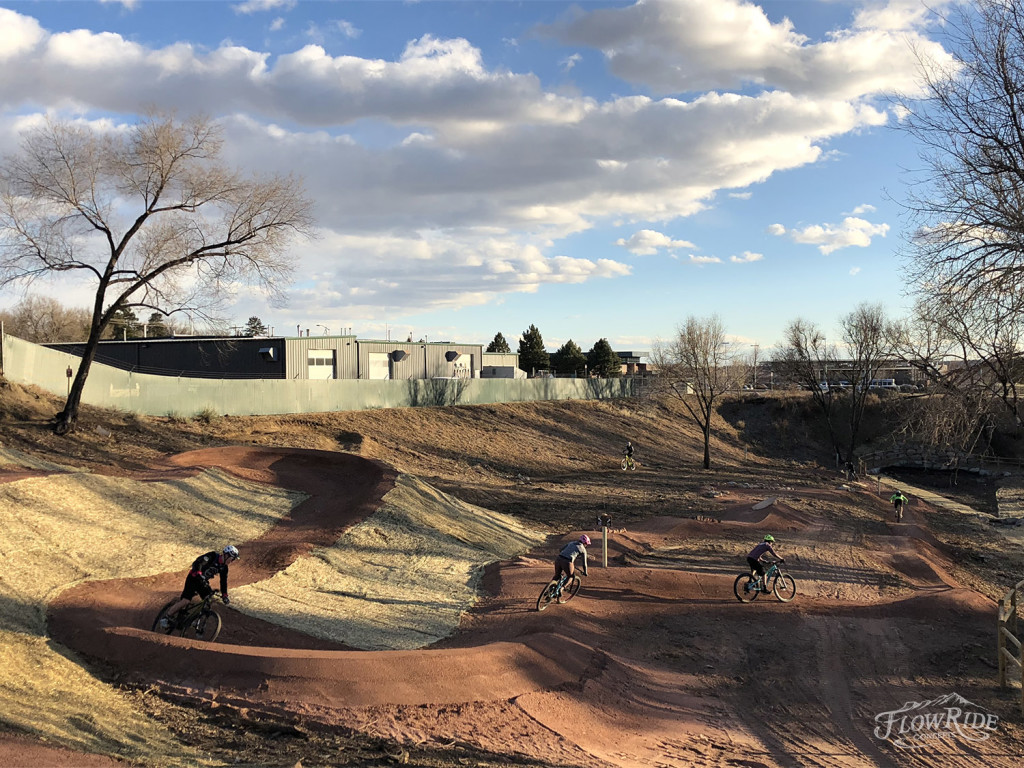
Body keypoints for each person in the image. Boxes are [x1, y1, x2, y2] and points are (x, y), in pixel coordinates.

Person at [159, 545, 239, 630]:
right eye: (232, 558)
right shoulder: (212, 556)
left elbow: (223, 582)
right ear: (226, 555)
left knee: (208, 599)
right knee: (186, 601)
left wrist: (225, 595)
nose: (232, 561)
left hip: (203, 582)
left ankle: (195, 620)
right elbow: (199, 562)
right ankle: (166, 618)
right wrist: (198, 572)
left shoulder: (224, 568)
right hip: (193, 578)